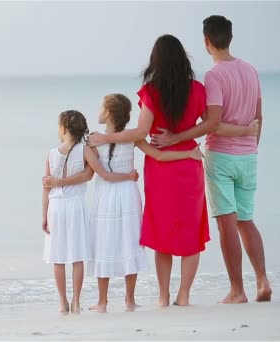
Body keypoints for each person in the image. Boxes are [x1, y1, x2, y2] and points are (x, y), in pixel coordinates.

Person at [87, 35, 215, 306]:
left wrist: (105, 138)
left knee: (163, 232)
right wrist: (181, 138)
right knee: (190, 232)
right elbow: (209, 125)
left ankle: (163, 296)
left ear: (156, 60)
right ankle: (184, 296)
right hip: (189, 164)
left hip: (161, 170)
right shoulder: (198, 89)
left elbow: (142, 132)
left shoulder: (152, 91)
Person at [151, 15, 271, 303]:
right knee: (246, 220)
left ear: (206, 42)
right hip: (248, 156)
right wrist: (252, 145)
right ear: (229, 37)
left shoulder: (214, 76)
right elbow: (259, 117)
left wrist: (175, 139)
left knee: (226, 222)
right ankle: (263, 280)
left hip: (222, 155)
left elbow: (213, 123)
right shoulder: (251, 70)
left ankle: (237, 290)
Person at [44, 95, 202, 312]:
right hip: (127, 192)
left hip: (106, 195)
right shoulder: (130, 138)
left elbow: (90, 173)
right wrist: (189, 153)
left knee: (103, 243)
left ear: (108, 113)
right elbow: (158, 155)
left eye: (101, 107)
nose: (98, 110)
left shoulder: (93, 140)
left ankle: (102, 301)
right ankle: (129, 300)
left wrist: (56, 184)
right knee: (129, 241)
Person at [42, 110, 137, 314]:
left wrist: (44, 215)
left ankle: (62, 303)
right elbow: (96, 174)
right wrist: (128, 175)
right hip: (76, 206)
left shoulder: (50, 154)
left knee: (57, 258)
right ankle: (76, 302)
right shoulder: (85, 150)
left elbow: (46, 187)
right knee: (77, 257)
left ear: (64, 128)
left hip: (55, 207)